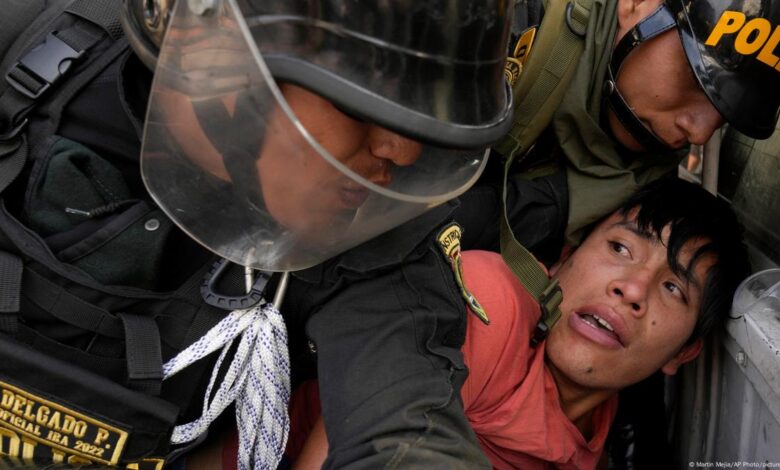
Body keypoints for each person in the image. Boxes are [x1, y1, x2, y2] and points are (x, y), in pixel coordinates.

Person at [0, 0, 514, 468]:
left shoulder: (370, 226)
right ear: (210, 53)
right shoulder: (21, 47)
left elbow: (405, 417)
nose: (402, 153)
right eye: (363, 101)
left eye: (424, 113)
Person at [283, 177, 750, 469]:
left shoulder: (594, 428)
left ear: (685, 351)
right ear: (564, 259)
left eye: (673, 289)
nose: (632, 289)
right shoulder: (490, 302)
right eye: (620, 249)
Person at [458, 0, 780, 265]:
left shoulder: (648, 189)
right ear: (637, 4)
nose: (700, 133)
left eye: (724, 115)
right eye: (696, 80)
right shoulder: (506, 18)